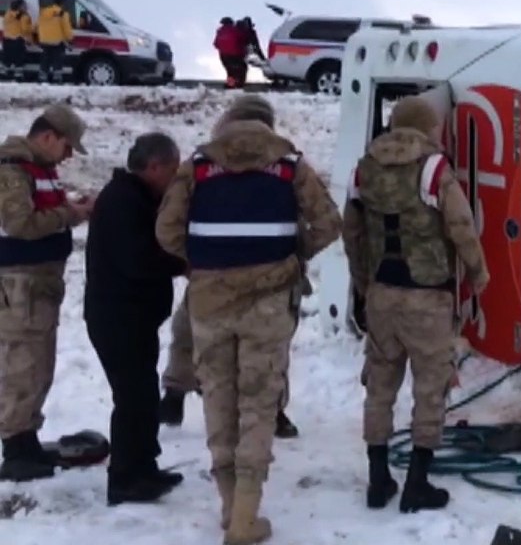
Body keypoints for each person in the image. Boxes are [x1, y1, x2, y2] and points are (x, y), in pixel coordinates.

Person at [156, 94, 341, 543]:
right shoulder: (289, 165)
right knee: (259, 406)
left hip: (210, 301)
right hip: (269, 302)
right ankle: (245, 517)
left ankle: (227, 506)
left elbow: (166, 231)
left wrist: (202, 263)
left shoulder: (198, 166)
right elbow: (329, 224)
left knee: (218, 400)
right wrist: (292, 259)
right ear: (267, 124)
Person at [342, 95, 489, 513]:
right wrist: (478, 272)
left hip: (382, 293)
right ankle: (418, 482)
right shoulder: (434, 169)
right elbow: (461, 225)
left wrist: (362, 282)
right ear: (427, 128)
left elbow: (350, 231)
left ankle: (377, 479)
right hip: (428, 295)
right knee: (431, 385)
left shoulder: (363, 169)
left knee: (380, 384)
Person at [84, 133, 187, 504]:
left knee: (142, 395)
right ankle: (124, 478)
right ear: (154, 166)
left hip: (133, 317)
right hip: (118, 317)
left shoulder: (135, 197)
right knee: (132, 398)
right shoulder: (123, 202)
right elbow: (140, 260)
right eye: (172, 170)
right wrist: (185, 262)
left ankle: (144, 467)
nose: (175, 178)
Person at [0, 104, 94, 481]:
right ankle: (16, 445)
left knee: (37, 364)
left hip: (39, 284)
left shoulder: (39, 171)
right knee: (23, 365)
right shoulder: (12, 170)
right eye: (68, 147)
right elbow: (20, 222)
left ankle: (26, 438)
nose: (69, 155)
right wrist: (72, 215)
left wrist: (69, 205)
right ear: (48, 137)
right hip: (22, 284)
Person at [158, 290, 302, 439]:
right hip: (212, 274)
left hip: (267, 276)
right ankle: (175, 395)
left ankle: (270, 407)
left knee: (265, 339)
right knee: (187, 325)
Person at [36, 0, 74, 82]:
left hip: (44, 41)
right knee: (57, 60)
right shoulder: (62, 13)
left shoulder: (44, 12)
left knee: (45, 60)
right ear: (62, 3)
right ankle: (57, 78)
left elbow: (37, 25)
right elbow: (66, 28)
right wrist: (70, 39)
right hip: (57, 41)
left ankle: (42, 78)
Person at [214, 17, 248, 89]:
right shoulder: (235, 30)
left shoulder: (220, 31)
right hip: (235, 54)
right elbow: (243, 39)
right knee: (242, 68)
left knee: (230, 71)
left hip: (223, 55)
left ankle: (230, 85)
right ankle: (239, 85)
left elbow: (216, 44)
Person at [3, 0, 34, 73]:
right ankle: (18, 77)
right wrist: (34, 27)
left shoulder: (8, 13)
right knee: (19, 61)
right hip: (17, 41)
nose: (26, 7)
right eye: (24, 5)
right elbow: (25, 29)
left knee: (7, 60)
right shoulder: (23, 16)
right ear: (19, 7)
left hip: (7, 40)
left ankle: (3, 75)